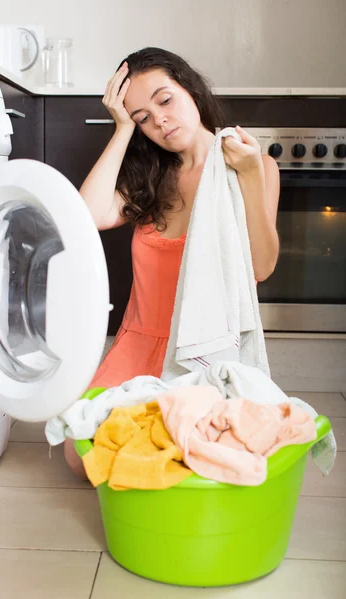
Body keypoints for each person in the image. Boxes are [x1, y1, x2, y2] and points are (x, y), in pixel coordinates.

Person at [64, 47, 280, 478]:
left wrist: (253, 174)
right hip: (140, 343)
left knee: (192, 448)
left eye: (164, 100)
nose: (158, 120)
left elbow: (260, 267)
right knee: (80, 457)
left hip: (205, 345)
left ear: (191, 90)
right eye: (143, 116)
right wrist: (122, 129)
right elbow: (86, 217)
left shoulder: (249, 165)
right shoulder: (150, 176)